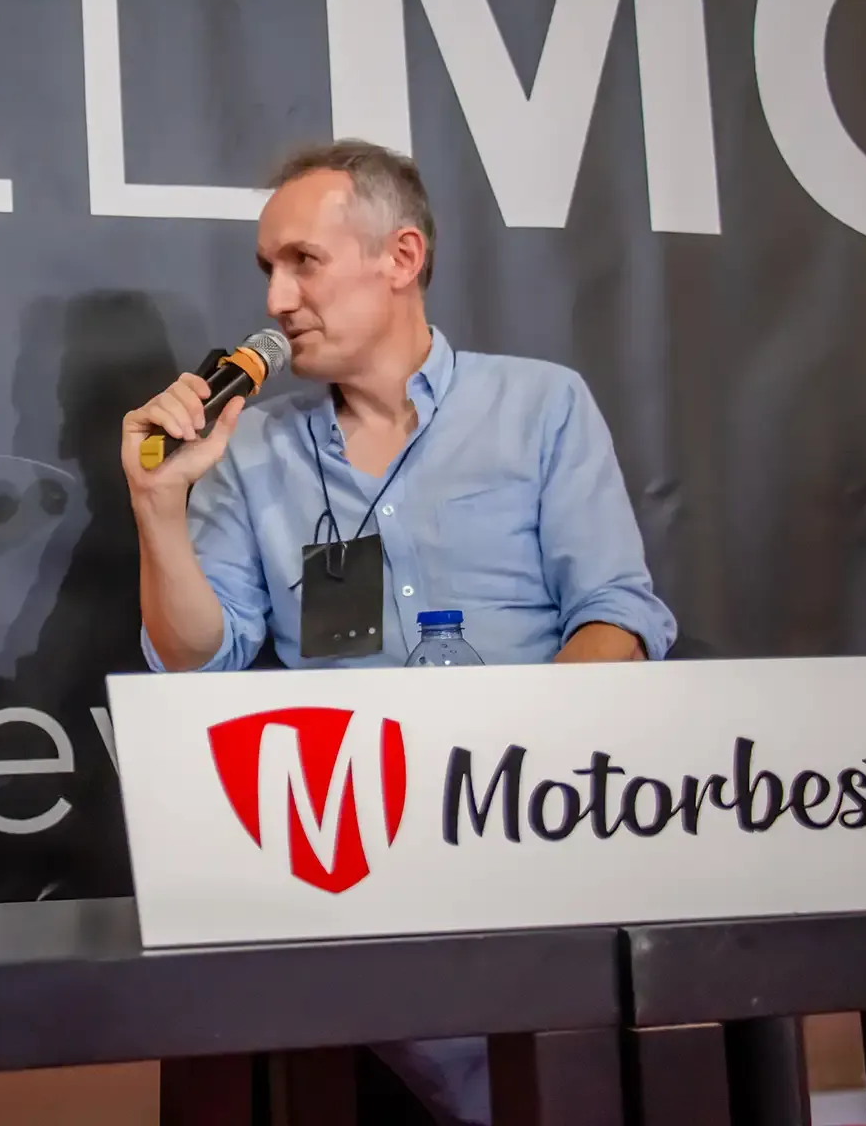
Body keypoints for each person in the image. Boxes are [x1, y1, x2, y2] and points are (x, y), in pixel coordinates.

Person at [120, 139, 676, 1124]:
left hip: (538, 830)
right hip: (350, 859)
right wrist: (159, 505)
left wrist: (514, 773)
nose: (278, 300)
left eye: (304, 262)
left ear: (401, 257)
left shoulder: (538, 404)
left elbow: (618, 616)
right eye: (268, 270)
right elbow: (197, 659)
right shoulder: (255, 449)